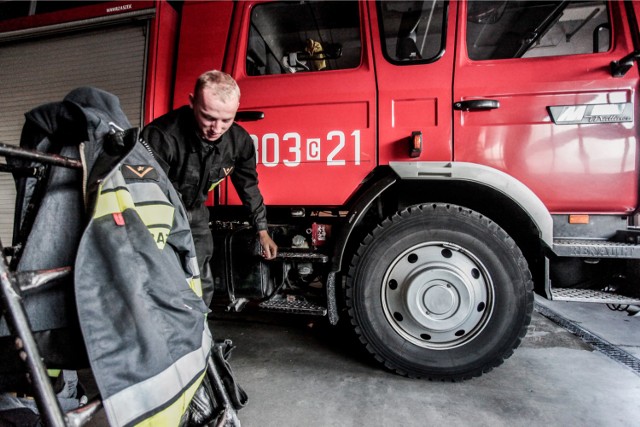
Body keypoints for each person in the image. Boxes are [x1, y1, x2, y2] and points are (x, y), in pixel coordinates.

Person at [141, 70, 277, 307]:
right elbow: (143, 193)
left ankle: (199, 334)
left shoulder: (239, 141)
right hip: (158, 213)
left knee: (201, 280)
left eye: (226, 120)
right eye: (208, 117)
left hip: (196, 214)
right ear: (192, 102)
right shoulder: (161, 136)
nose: (217, 128)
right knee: (159, 276)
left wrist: (262, 230)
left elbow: (248, 186)